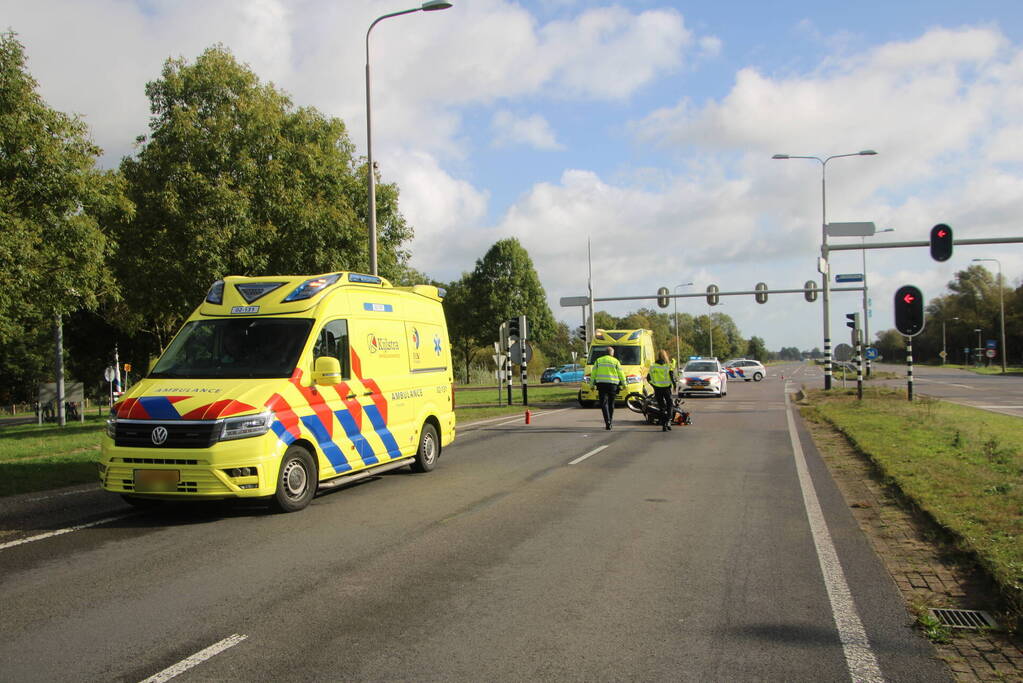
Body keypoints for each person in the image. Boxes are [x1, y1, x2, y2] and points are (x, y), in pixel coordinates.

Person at [592, 346, 627, 430]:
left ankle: (607, 421)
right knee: (611, 403)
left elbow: (593, 373)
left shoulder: (598, 361)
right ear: (612, 353)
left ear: (605, 353)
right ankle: (610, 421)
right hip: (613, 385)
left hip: (601, 385)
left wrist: (591, 385)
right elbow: (621, 374)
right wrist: (624, 384)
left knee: (604, 404)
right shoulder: (616, 361)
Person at [647, 350, 677, 431]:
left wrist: (653, 385)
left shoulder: (653, 366)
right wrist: (674, 385)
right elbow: (671, 376)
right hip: (666, 388)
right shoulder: (668, 365)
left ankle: (664, 424)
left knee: (661, 407)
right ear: (665, 356)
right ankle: (668, 421)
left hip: (657, 389)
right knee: (670, 404)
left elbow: (648, 378)